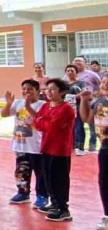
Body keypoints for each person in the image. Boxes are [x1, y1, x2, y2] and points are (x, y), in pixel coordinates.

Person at [26, 78, 74, 222]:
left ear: (62, 92)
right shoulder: (46, 106)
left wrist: (39, 122)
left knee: (59, 179)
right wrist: (37, 119)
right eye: (47, 89)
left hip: (59, 150)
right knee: (48, 177)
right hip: (46, 147)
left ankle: (63, 209)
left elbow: (50, 126)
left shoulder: (66, 108)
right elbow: (40, 123)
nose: (49, 92)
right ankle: (54, 203)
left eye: (52, 89)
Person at [2, 80, 48, 207]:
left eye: (30, 89)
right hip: (20, 145)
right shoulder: (17, 103)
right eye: (24, 89)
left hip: (36, 147)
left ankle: (42, 195)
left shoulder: (43, 105)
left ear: (38, 91)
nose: (26, 91)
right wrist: (9, 103)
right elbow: (4, 114)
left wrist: (28, 106)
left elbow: (41, 119)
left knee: (40, 173)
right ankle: (23, 193)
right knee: (21, 171)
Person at [79, 76, 108, 230]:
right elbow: (86, 119)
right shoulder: (98, 102)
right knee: (104, 181)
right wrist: (84, 100)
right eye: (103, 82)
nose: (104, 84)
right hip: (104, 146)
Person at [73, 56, 101, 152]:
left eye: (79, 61)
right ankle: (78, 146)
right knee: (78, 127)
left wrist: (96, 97)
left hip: (90, 102)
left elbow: (100, 85)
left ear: (85, 63)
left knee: (92, 125)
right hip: (76, 104)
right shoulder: (70, 74)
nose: (77, 62)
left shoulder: (92, 74)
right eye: (75, 61)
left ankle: (92, 146)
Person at [64, 65, 86, 155]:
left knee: (78, 127)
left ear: (76, 72)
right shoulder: (63, 84)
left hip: (77, 107)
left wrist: (72, 97)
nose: (70, 72)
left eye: (72, 70)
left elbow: (83, 92)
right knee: (67, 127)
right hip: (65, 108)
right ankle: (70, 146)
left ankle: (79, 147)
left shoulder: (81, 82)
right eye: (68, 70)